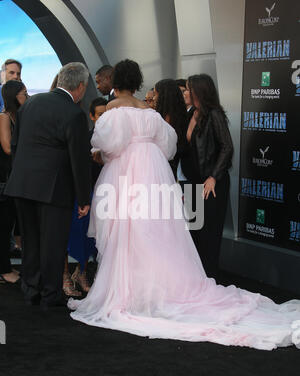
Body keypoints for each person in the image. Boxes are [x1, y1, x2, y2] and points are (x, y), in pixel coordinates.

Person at [68, 59, 300, 351]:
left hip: (126, 173)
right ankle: (157, 290)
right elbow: (168, 145)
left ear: (115, 83)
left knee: (127, 229)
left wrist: (101, 153)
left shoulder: (113, 109)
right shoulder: (148, 111)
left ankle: (132, 293)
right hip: (152, 172)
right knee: (155, 232)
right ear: (137, 82)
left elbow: (107, 145)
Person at [5, 62, 92, 309]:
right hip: (53, 189)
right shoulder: (74, 113)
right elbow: (79, 159)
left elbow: (15, 146)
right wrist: (84, 198)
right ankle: (50, 296)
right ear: (81, 86)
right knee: (53, 245)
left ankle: (31, 290)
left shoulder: (30, 103)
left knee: (30, 242)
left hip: (21, 185)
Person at [180, 74, 233, 280]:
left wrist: (213, 176)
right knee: (194, 234)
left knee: (209, 235)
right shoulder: (191, 113)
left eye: (188, 89)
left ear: (199, 91)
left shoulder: (214, 114)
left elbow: (227, 147)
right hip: (192, 183)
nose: (185, 92)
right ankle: (196, 280)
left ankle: (209, 280)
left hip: (211, 185)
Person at [63, 97, 108, 297]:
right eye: (99, 114)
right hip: (84, 194)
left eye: (107, 114)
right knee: (78, 234)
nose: (103, 118)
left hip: (108, 196)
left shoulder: (119, 140)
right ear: (91, 116)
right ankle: (69, 276)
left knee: (94, 238)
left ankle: (81, 273)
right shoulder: (85, 138)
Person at [0, 80, 28, 285]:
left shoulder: (19, 117)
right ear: (12, 96)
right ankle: (4, 270)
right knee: (3, 227)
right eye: (23, 93)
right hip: (3, 181)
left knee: (10, 225)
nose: (26, 97)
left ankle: (7, 267)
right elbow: (8, 148)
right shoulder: (4, 117)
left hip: (14, 180)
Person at [154, 78, 188, 180]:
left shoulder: (163, 119)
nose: (154, 98)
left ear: (164, 96)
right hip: (184, 174)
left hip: (178, 174)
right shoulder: (184, 116)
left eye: (156, 94)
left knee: (191, 196)